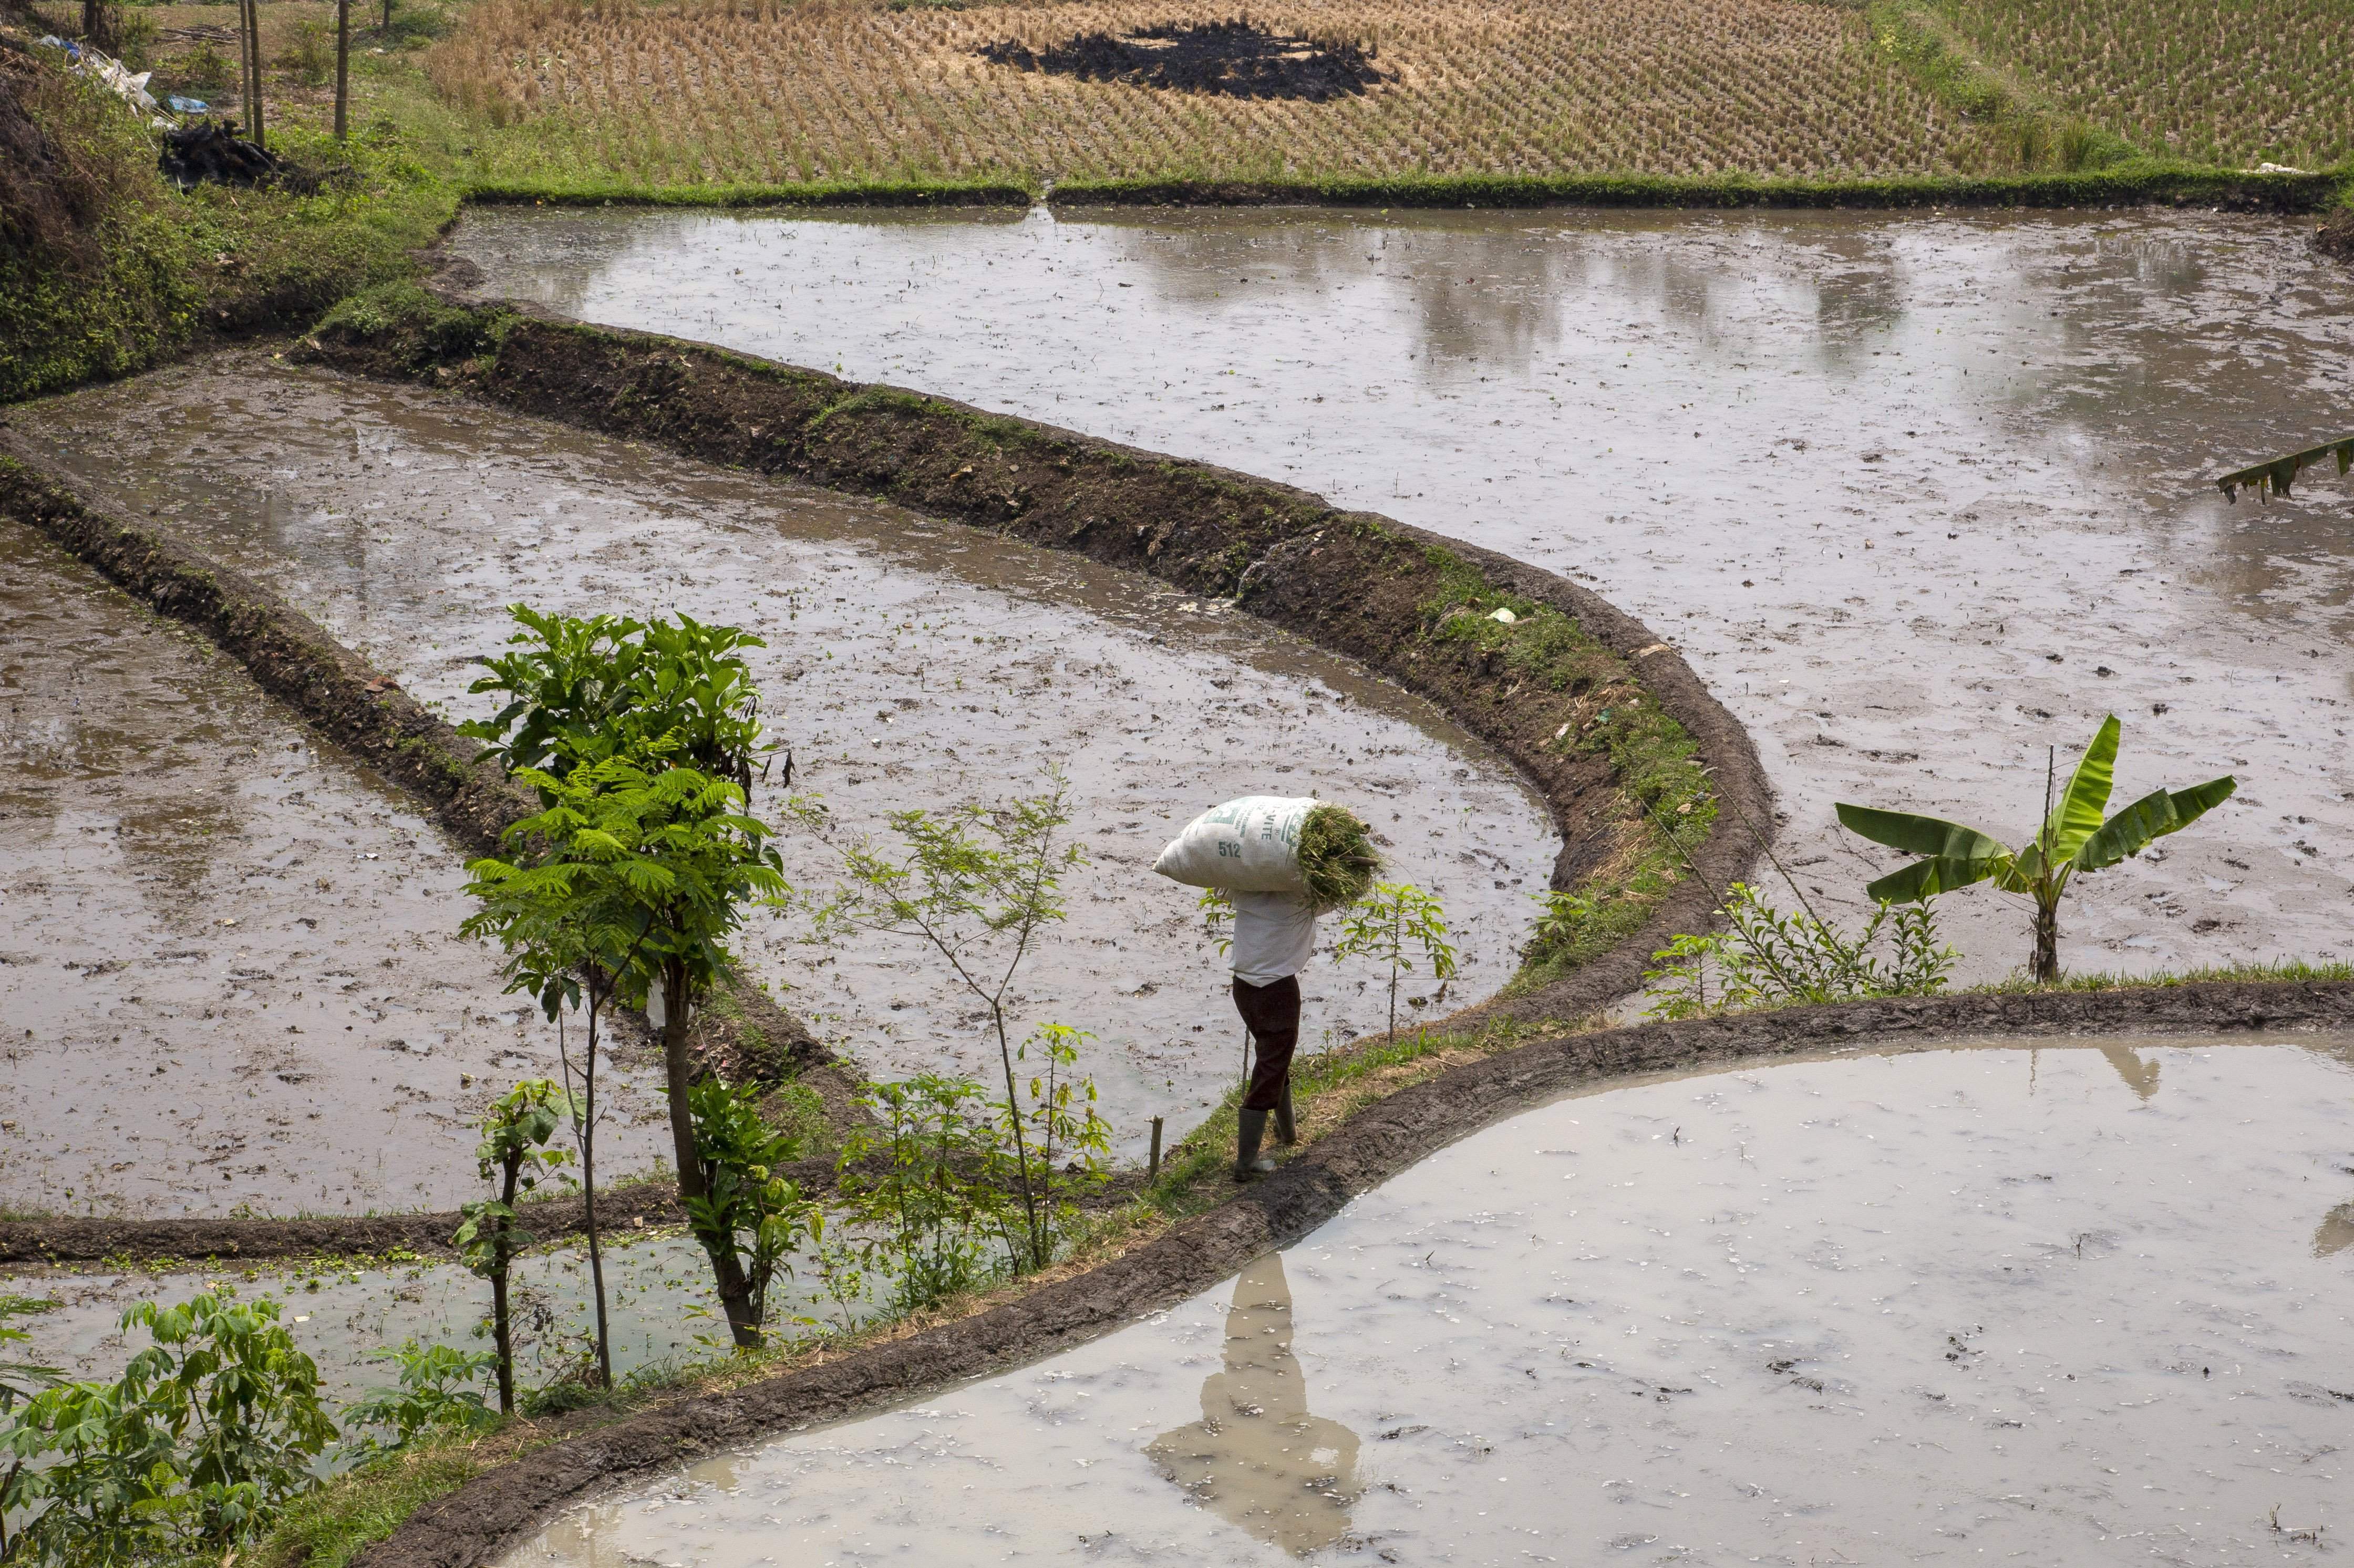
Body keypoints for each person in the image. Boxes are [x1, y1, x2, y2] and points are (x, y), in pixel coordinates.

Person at [1227, 888, 1314, 1181]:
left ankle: (1287, 1132)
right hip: (1276, 990)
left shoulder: (1245, 891)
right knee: (1273, 1061)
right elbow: (1343, 894)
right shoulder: (1301, 896)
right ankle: (1246, 1161)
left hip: (1243, 987)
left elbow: (1222, 885)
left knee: (1274, 1055)